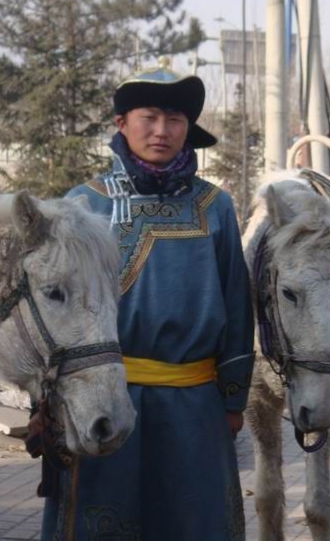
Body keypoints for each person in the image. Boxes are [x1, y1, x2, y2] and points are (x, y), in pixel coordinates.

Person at [42, 59, 254, 540]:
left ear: (189, 128)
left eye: (175, 120)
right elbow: (53, 309)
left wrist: (233, 396)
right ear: (122, 123)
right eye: (149, 117)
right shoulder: (84, 203)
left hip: (195, 403)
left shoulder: (214, 206)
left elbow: (237, 305)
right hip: (102, 400)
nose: (162, 130)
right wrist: (49, 396)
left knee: (194, 523)